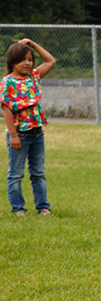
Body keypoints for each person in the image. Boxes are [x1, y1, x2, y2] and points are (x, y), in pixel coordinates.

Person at [3, 39, 56, 216]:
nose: (27, 63)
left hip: (37, 132)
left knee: (38, 172)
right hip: (20, 135)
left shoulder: (33, 76)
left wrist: (33, 45)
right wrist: (13, 135)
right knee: (16, 174)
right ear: (12, 61)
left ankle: (43, 206)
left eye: (30, 59)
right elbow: (7, 109)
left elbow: (50, 61)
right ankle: (18, 208)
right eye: (23, 59)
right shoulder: (7, 83)